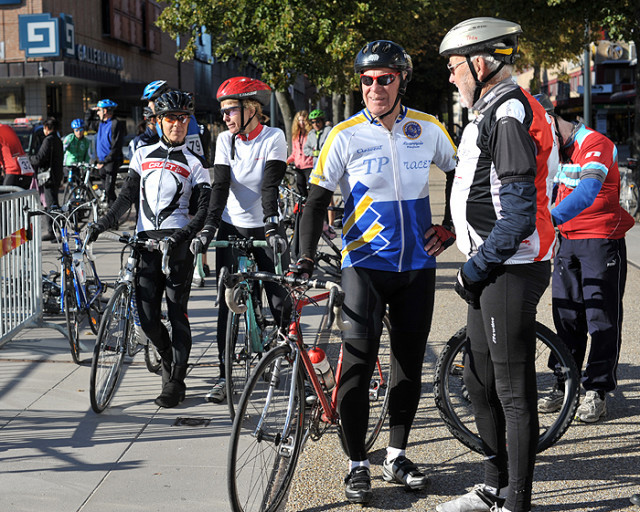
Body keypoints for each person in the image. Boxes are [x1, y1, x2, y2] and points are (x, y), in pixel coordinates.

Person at [296, 40, 457, 504]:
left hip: (416, 268)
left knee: (408, 366)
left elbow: (463, 171)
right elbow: (316, 201)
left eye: (385, 78)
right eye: (367, 80)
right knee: (359, 364)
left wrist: (448, 226)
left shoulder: (426, 128)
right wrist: (305, 256)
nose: (375, 88)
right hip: (364, 265)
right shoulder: (344, 134)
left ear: (401, 79)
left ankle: (397, 455)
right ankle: (356, 463)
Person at [436, 18, 558, 512]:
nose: (450, 76)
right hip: (491, 266)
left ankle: (516, 503)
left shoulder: (507, 113)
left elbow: (519, 218)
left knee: (511, 390)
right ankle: (493, 485)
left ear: (480, 63)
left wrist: (474, 268)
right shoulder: (490, 109)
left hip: (509, 266)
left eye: (453, 67)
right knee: (477, 382)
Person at [86, 90, 211, 408]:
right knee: (146, 317)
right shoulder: (142, 154)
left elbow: (203, 212)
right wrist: (100, 225)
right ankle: (168, 355)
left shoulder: (196, 164)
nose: (178, 125)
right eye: (171, 118)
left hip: (178, 246)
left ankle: (176, 382)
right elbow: (125, 199)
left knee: (176, 313)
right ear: (158, 121)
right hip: (145, 243)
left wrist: (181, 236)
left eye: (184, 118)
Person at [189, 76, 292, 404]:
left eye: (230, 110)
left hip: (265, 227)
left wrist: (273, 225)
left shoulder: (273, 137)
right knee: (226, 305)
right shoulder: (224, 141)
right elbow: (219, 188)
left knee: (278, 301)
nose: (225, 117)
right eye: (223, 112)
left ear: (251, 109)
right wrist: (208, 228)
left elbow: (269, 187)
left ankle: (295, 363)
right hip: (231, 228)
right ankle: (224, 375)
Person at [533, 94, 634, 423]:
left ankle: (597, 391)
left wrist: (545, 223)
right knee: (566, 318)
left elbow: (588, 191)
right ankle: (565, 383)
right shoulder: (552, 152)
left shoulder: (596, 143)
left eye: (535, 133)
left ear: (551, 121)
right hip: (567, 242)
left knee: (600, 318)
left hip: (600, 241)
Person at [141, 80, 209, 166]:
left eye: (150, 101)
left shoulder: (164, 121)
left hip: (186, 164)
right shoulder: (188, 116)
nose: (149, 106)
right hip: (195, 162)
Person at [30, 117, 64, 241]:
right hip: (56, 175)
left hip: (49, 177)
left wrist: (29, 159)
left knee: (51, 205)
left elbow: (40, 158)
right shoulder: (58, 140)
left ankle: (54, 232)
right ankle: (55, 230)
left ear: (47, 128)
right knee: (53, 203)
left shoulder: (48, 140)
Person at [94, 99, 126, 206]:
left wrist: (106, 161)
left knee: (109, 190)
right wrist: (91, 110)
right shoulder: (100, 123)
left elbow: (116, 147)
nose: (97, 112)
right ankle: (107, 213)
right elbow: (88, 123)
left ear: (105, 111)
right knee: (105, 191)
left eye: (99, 110)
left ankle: (114, 217)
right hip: (101, 162)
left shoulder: (115, 124)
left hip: (111, 162)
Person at [287, 110, 314, 198]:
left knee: (311, 188)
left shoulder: (311, 134)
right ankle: (303, 208)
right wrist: (286, 161)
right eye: (299, 120)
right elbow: (294, 153)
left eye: (303, 120)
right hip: (298, 166)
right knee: (300, 189)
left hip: (309, 165)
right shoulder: (296, 135)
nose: (301, 123)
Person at [1, 122, 34, 190]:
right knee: (22, 198)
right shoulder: (7, 127)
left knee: (5, 198)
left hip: (13, 171)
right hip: (26, 171)